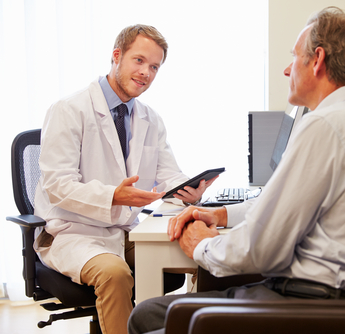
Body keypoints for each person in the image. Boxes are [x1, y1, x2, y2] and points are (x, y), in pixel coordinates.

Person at [128, 7, 345, 334]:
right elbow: (283, 205)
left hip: (308, 303)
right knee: (153, 313)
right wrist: (221, 216)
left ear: (317, 59)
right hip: (344, 300)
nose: (287, 70)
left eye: (294, 57)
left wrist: (201, 245)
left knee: (145, 316)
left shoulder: (326, 126)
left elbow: (261, 248)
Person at [33, 25, 216, 334]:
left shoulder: (149, 118)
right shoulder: (69, 109)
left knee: (196, 251)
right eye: (139, 61)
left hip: (122, 230)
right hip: (72, 233)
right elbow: (57, 184)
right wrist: (113, 196)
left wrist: (191, 189)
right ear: (116, 56)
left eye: (154, 67)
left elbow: (168, 173)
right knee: (115, 273)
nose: (146, 72)